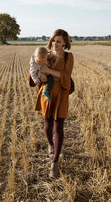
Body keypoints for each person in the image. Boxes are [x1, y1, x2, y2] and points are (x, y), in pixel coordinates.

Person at [34, 29, 74, 178]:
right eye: (53, 40)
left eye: (58, 41)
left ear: (64, 43)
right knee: (47, 126)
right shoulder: (46, 54)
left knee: (59, 127)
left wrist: (49, 72)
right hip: (47, 94)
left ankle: (55, 162)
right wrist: (40, 74)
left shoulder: (68, 57)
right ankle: (50, 144)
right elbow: (34, 69)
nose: (55, 44)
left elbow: (66, 76)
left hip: (61, 95)